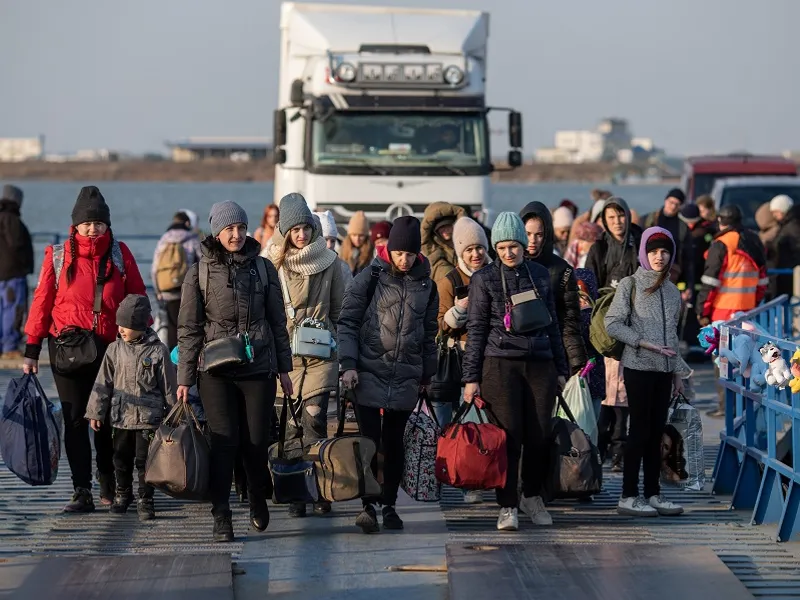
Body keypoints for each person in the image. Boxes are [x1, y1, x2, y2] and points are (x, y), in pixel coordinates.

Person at [23, 186, 148, 512]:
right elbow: (41, 302)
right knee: (75, 419)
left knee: (108, 419)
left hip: (110, 350)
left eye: (98, 223)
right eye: (86, 223)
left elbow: (137, 298)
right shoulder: (58, 255)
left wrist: (145, 335)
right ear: (75, 225)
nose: (93, 229)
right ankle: (82, 490)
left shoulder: (120, 254)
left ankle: (109, 483)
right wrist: (32, 348)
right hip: (67, 350)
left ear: (107, 225)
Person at [177, 200, 293, 542]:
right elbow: (188, 329)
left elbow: (277, 322)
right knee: (223, 442)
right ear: (217, 231)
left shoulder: (263, 269)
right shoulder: (198, 272)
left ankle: (258, 495)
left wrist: (284, 368)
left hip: (257, 365)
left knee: (256, 442)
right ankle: (221, 514)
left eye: (241, 228)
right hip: (215, 370)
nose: (237, 234)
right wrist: (184, 377)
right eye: (229, 229)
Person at [462, 212, 568, 531]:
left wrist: (561, 369)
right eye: (504, 247)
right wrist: (471, 378)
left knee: (538, 435)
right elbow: (477, 328)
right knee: (507, 438)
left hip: (540, 363)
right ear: (496, 247)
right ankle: (507, 504)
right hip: (499, 363)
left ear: (524, 245)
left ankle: (532, 495)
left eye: (515, 246)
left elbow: (553, 324)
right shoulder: (484, 278)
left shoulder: (539, 275)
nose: (510, 253)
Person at [338, 216, 438, 533]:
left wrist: (427, 375)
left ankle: (391, 505)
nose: (404, 260)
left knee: (395, 443)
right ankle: (368, 505)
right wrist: (348, 364)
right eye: (399, 253)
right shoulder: (370, 277)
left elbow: (429, 332)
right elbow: (348, 322)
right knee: (369, 441)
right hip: (368, 370)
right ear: (389, 250)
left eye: (410, 254)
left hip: (406, 374)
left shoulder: (427, 285)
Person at [605, 227, 691, 517]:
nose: (659, 256)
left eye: (665, 251)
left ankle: (653, 493)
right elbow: (612, 323)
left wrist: (678, 373)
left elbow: (673, 336)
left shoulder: (671, 290)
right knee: (639, 432)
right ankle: (628, 495)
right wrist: (643, 343)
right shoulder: (630, 284)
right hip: (639, 366)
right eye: (653, 251)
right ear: (644, 252)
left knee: (656, 434)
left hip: (665, 371)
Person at [269, 193, 345, 518]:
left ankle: (321, 491)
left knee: (314, 424)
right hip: (284, 359)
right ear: (284, 232)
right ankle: (296, 492)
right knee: (288, 429)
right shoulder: (272, 266)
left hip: (319, 358)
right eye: (295, 229)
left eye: (306, 227)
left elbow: (341, 309)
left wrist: (333, 342)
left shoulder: (331, 263)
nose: (301, 235)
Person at [85, 294, 176, 521]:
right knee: (120, 459)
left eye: (127, 325)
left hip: (149, 418)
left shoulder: (158, 351)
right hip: (121, 417)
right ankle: (123, 494)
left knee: (145, 461)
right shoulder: (114, 350)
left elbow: (169, 387)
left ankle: (146, 498)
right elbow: (102, 383)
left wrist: (175, 414)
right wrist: (96, 411)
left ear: (140, 325)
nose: (121, 329)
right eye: (119, 324)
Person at [435, 216, 490, 505]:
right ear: (460, 251)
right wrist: (457, 311)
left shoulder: (495, 273)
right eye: (469, 249)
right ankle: (461, 477)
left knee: (483, 420)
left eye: (479, 247)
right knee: (456, 421)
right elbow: (440, 325)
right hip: (457, 357)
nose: (476, 254)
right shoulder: (450, 281)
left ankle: (482, 473)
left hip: (489, 356)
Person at [520, 201, 587, 377]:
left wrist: (576, 362)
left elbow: (570, 320)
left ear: (547, 234)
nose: (532, 241)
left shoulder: (562, 270)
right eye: (527, 234)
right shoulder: (508, 267)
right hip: (514, 354)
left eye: (539, 235)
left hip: (549, 352)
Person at [697, 204, 767, 325]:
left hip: (722, 310)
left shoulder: (722, 243)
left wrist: (702, 310)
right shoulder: (754, 241)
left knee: (723, 343)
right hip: (749, 310)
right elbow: (762, 280)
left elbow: (711, 281)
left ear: (720, 221)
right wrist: (755, 302)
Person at [151, 211, 202, 350]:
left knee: (172, 327)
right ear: (187, 223)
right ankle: (187, 356)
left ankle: (174, 361)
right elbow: (202, 263)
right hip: (186, 289)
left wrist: (158, 291)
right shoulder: (192, 239)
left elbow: (155, 268)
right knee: (188, 326)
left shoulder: (163, 239)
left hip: (166, 290)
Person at [0, 184, 33, 359]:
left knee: (2, 310)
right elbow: (16, 244)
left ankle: (4, 345)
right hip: (13, 273)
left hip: (3, 273)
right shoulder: (12, 220)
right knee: (14, 310)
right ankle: (10, 346)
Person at [585, 196, 643, 290]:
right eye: (611, 217)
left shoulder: (642, 244)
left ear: (628, 216)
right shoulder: (598, 248)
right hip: (605, 300)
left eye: (621, 216)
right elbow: (589, 284)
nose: (617, 222)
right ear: (605, 220)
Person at [643, 188, 694, 292]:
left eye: (677, 204)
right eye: (671, 202)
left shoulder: (683, 227)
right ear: (665, 200)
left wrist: (689, 285)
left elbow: (688, 258)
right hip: (650, 271)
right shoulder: (650, 219)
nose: (673, 206)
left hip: (673, 274)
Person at [421, 202, 466, 282]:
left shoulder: (463, 244)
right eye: (441, 227)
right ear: (435, 231)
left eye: (447, 226)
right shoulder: (433, 249)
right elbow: (425, 229)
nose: (445, 230)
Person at [771, 200, 800, 299]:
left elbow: (797, 247)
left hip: (789, 272)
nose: (774, 216)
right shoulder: (786, 225)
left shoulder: (792, 226)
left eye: (776, 212)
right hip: (786, 271)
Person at [339, 211, 373, 276]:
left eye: (361, 235)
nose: (357, 239)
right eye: (354, 235)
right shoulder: (341, 250)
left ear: (366, 236)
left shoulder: (371, 252)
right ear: (349, 235)